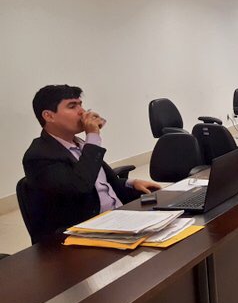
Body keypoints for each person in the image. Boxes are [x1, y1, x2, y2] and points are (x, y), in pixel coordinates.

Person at [22, 85, 162, 241]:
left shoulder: (80, 144)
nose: (82, 112)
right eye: (72, 106)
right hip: (86, 232)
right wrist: (93, 137)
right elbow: (80, 186)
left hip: (119, 219)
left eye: (80, 104)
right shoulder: (39, 156)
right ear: (49, 116)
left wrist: (131, 183)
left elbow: (100, 184)